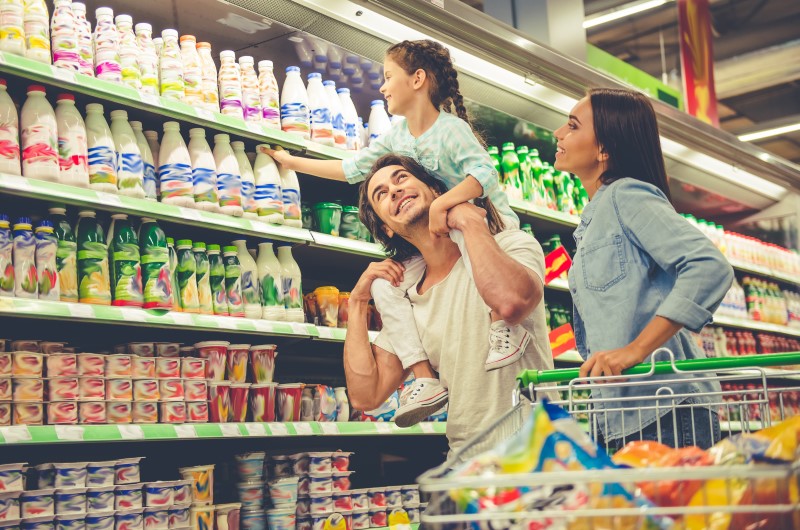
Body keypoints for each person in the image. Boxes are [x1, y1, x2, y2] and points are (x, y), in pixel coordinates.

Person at [268, 39, 530, 426]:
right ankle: (424, 377)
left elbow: (485, 176)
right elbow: (351, 169)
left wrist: (442, 205)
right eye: (382, 194)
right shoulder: (397, 136)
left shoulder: (452, 130)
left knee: (471, 246)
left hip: (484, 223)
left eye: (389, 76)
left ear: (418, 79)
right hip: (443, 231)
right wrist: (290, 161)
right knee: (384, 285)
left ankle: (504, 328)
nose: (383, 86)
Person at [553, 87, 734, 450]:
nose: (558, 133)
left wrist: (635, 350)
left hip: (665, 409)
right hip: (627, 412)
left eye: (572, 126)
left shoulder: (627, 195)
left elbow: (708, 265)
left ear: (604, 150)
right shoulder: (596, 215)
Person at [344, 154, 554, 451]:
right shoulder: (406, 301)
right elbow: (365, 395)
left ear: (436, 189)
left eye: (401, 178)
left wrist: (467, 219)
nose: (394, 190)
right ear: (386, 228)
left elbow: (511, 304)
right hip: (467, 461)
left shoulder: (510, 245)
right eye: (381, 194)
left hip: (538, 455)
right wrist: (357, 301)